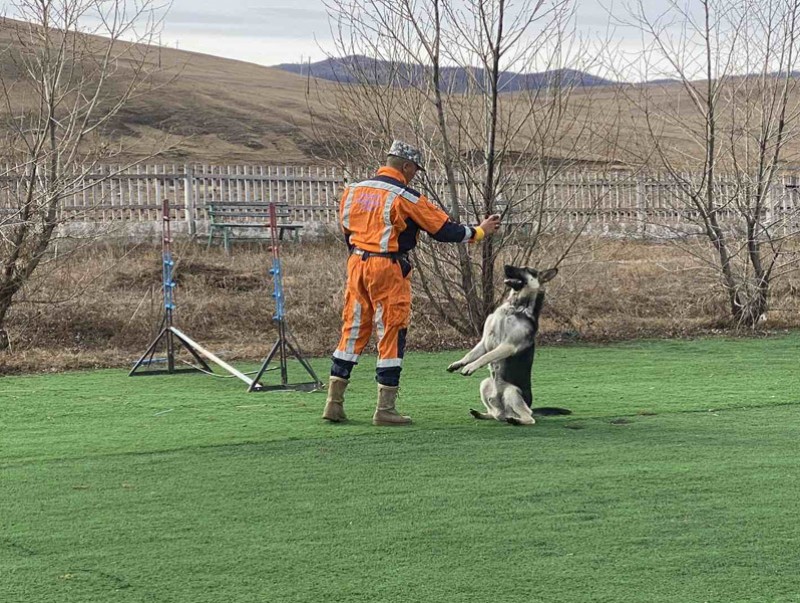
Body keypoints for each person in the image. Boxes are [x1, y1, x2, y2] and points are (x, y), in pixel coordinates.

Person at [323, 140, 501, 426]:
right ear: (406, 166)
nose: (415, 174)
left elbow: (346, 230)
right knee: (392, 330)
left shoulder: (353, 191)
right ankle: (385, 410)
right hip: (388, 266)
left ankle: (334, 403)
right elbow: (444, 230)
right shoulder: (405, 195)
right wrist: (479, 232)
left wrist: (360, 255)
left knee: (353, 328)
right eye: (414, 170)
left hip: (357, 262)